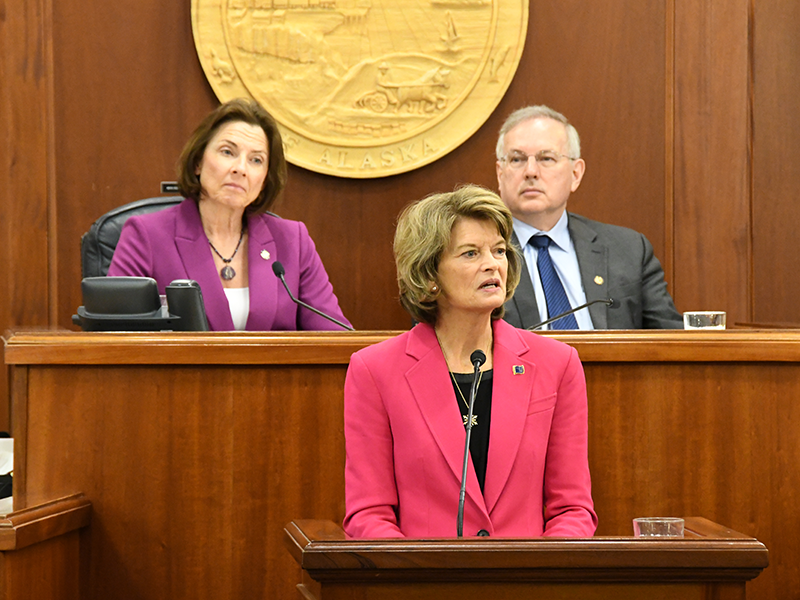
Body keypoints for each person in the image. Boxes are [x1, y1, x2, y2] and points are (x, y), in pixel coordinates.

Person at [343, 185, 597, 538]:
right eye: (470, 253)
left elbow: (572, 509)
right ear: (429, 274)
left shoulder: (557, 364)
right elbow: (368, 514)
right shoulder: (375, 370)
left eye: (498, 251)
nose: (492, 263)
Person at [108, 98, 350, 331]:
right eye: (227, 152)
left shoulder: (293, 241)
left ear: (264, 180)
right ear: (198, 162)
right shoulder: (146, 236)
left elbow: (333, 337)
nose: (240, 169)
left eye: (256, 160)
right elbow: (114, 339)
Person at [495, 105, 683, 330]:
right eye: (517, 159)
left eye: (546, 158)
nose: (531, 171)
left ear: (576, 174)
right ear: (500, 173)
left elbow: (671, 342)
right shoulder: (480, 255)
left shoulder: (628, 250)